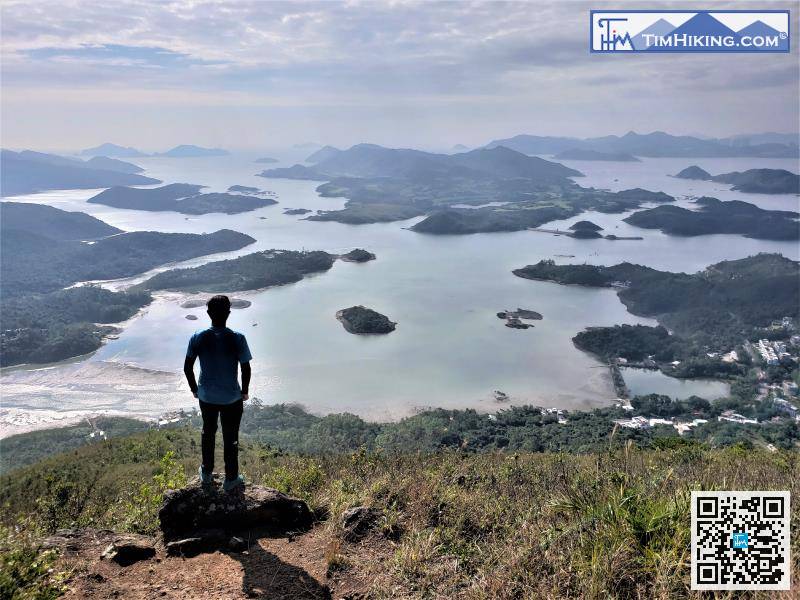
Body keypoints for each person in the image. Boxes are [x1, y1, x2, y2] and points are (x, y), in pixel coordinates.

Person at [183, 295, 252, 492]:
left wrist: (195, 390)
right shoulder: (237, 338)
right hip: (231, 397)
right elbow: (245, 368)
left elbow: (187, 367)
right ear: (229, 313)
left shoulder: (198, 337)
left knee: (208, 432)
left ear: (208, 314)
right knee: (231, 437)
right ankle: (231, 479)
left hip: (206, 396)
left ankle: (206, 474)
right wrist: (245, 391)